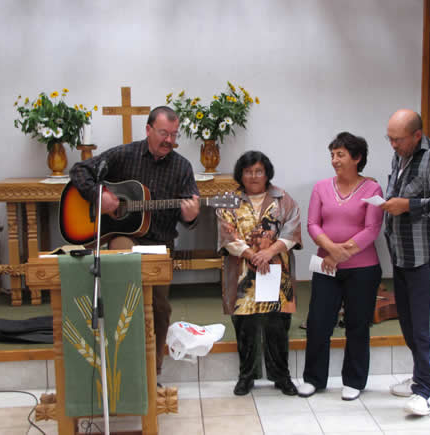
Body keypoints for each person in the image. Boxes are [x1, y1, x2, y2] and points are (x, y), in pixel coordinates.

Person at [69, 106, 200, 377]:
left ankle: (152, 374)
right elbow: (79, 170)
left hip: (160, 245)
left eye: (174, 135)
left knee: (160, 309)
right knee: (124, 293)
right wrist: (98, 196)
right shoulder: (123, 155)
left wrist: (191, 215)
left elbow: (190, 210)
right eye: (164, 133)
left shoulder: (182, 167)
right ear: (149, 130)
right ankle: (119, 368)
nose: (169, 140)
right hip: (122, 238)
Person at [382, 109, 430, 416]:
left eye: (397, 139)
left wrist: (408, 205)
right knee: (409, 323)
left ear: (417, 135)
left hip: (425, 253)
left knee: (425, 326)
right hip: (401, 253)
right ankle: (420, 377)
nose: (393, 145)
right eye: (389, 138)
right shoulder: (402, 156)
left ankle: (428, 391)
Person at [298, 132, 383, 401]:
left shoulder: (372, 190)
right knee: (318, 323)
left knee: (358, 323)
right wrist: (332, 252)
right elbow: (313, 224)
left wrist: (339, 253)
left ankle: (355, 380)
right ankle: (313, 378)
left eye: (341, 154)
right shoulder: (321, 187)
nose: (334, 160)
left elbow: (372, 229)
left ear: (357, 158)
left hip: (363, 269)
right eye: (332, 154)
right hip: (326, 266)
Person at [216, 151, 302, 396]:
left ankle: (281, 376)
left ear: (267, 174)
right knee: (245, 325)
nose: (253, 176)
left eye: (258, 171)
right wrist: (251, 254)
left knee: (277, 325)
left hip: (276, 270)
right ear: (240, 174)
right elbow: (226, 235)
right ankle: (246, 377)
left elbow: (292, 230)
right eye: (248, 171)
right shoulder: (228, 200)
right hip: (241, 271)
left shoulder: (283, 198)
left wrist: (269, 252)